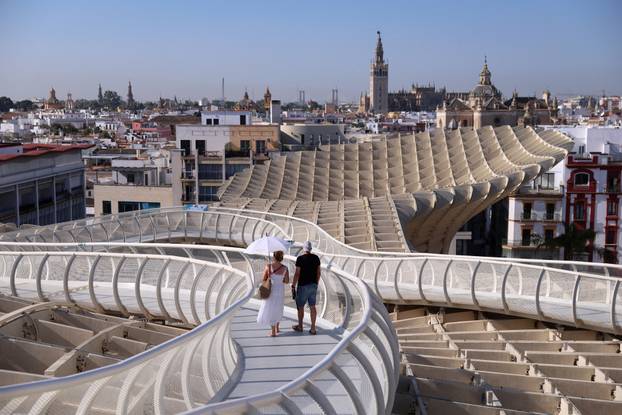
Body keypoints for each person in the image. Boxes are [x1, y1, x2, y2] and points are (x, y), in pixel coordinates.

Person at [256, 250, 289, 337]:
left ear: (274, 257)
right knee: (278, 308)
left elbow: (264, 279)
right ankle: (277, 328)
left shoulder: (268, 266)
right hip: (280, 290)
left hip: (271, 290)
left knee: (271, 309)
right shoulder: (285, 268)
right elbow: (286, 281)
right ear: (281, 258)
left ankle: (273, 331)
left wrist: (270, 276)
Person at [291, 240, 321, 335]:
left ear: (303, 249)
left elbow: (297, 273)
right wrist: (316, 283)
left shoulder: (300, 259)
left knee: (300, 306)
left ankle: (300, 326)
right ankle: (313, 328)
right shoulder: (316, 258)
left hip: (303, 285)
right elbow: (319, 272)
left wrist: (293, 285)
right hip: (313, 285)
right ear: (310, 249)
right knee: (312, 306)